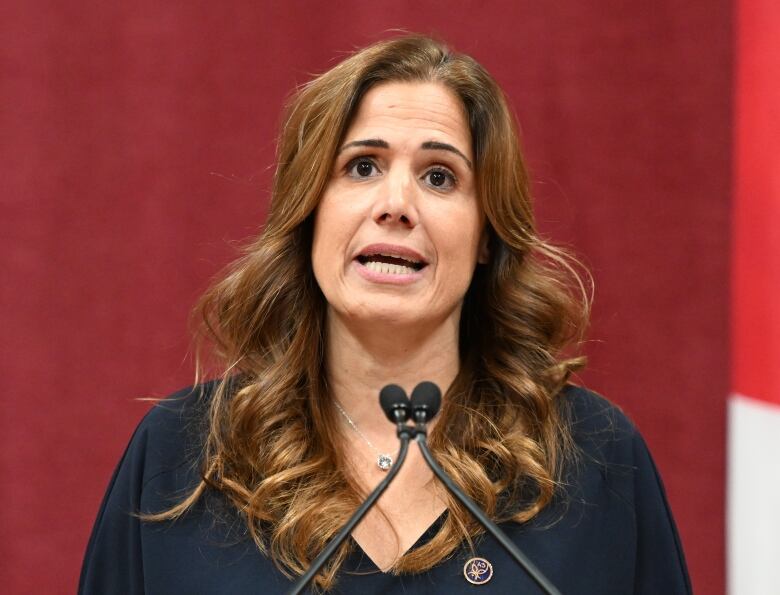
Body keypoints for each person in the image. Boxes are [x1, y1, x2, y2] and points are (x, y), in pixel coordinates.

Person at [79, 35, 691, 594]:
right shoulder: (183, 456)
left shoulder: (596, 456)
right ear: (311, 211)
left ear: (485, 237)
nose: (396, 204)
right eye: (362, 166)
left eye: (439, 176)